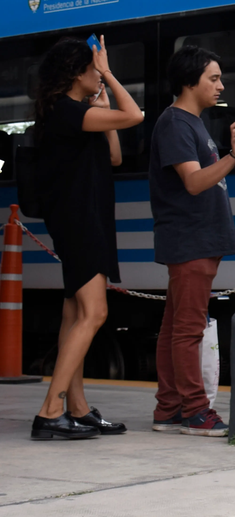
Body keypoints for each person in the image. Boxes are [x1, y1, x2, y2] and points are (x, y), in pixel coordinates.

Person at [30, 36, 143, 440]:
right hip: (80, 221)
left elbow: (113, 155)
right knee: (95, 313)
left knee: (74, 314)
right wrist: (110, 76)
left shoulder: (77, 115)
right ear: (77, 72)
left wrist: (103, 106)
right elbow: (136, 115)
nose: (99, 74)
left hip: (87, 218)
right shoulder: (65, 112)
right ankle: (50, 410)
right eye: (93, 69)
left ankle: (75, 407)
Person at [148, 47, 235, 438]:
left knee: (176, 328)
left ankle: (169, 408)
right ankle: (194, 410)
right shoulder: (175, 123)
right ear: (190, 81)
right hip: (190, 239)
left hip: (198, 239)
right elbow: (193, 181)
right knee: (188, 330)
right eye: (213, 78)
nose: (220, 86)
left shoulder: (192, 123)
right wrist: (232, 158)